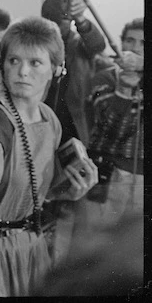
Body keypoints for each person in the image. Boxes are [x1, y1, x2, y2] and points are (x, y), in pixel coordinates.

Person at [0, 16, 98, 297]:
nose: (22, 71)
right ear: (2, 64)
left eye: (35, 63)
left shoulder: (50, 120)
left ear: (56, 69)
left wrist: (71, 190)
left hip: (28, 246)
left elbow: (38, 192)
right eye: (14, 60)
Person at [69, 17, 143, 279]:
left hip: (142, 185)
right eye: (129, 41)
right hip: (107, 178)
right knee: (91, 255)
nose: (135, 48)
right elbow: (109, 122)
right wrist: (124, 89)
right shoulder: (105, 76)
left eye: (143, 43)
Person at [41, 0, 106, 146]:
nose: (56, 25)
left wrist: (81, 19)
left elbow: (97, 44)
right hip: (43, 115)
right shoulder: (40, 43)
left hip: (73, 119)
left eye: (62, 19)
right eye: (52, 19)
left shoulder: (79, 44)